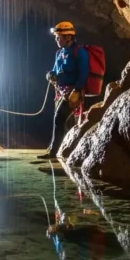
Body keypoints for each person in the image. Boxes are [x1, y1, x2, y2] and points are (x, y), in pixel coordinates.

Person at [39, 21, 88, 160]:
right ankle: (66, 151)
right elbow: (55, 69)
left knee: (59, 119)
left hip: (73, 93)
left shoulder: (80, 52)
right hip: (60, 92)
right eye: (56, 37)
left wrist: (77, 91)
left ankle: (53, 152)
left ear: (68, 37)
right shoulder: (59, 53)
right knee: (65, 122)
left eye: (58, 37)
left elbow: (83, 73)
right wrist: (51, 74)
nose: (56, 39)